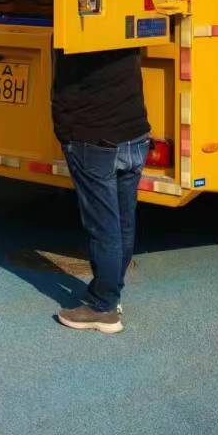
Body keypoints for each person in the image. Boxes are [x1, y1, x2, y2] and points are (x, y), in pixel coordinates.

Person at [50, 47, 152, 334]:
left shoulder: (75, 34)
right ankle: (111, 293)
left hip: (93, 137)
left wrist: (64, 132)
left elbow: (64, 88)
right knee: (123, 222)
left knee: (103, 227)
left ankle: (102, 307)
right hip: (135, 133)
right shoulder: (126, 28)